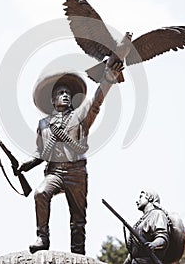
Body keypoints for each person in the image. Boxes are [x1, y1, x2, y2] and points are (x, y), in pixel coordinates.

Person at [16, 60, 124, 255]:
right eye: (60, 93)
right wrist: (26, 165)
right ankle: (42, 237)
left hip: (76, 172)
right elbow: (41, 152)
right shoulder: (43, 124)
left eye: (67, 93)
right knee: (41, 193)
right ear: (52, 100)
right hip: (55, 171)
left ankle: (78, 251)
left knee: (78, 217)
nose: (65, 95)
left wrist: (109, 77)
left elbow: (96, 101)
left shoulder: (79, 117)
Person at [123, 190, 170, 264]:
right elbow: (133, 253)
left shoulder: (157, 214)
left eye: (141, 197)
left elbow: (162, 238)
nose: (137, 201)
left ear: (150, 198)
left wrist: (153, 245)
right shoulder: (139, 223)